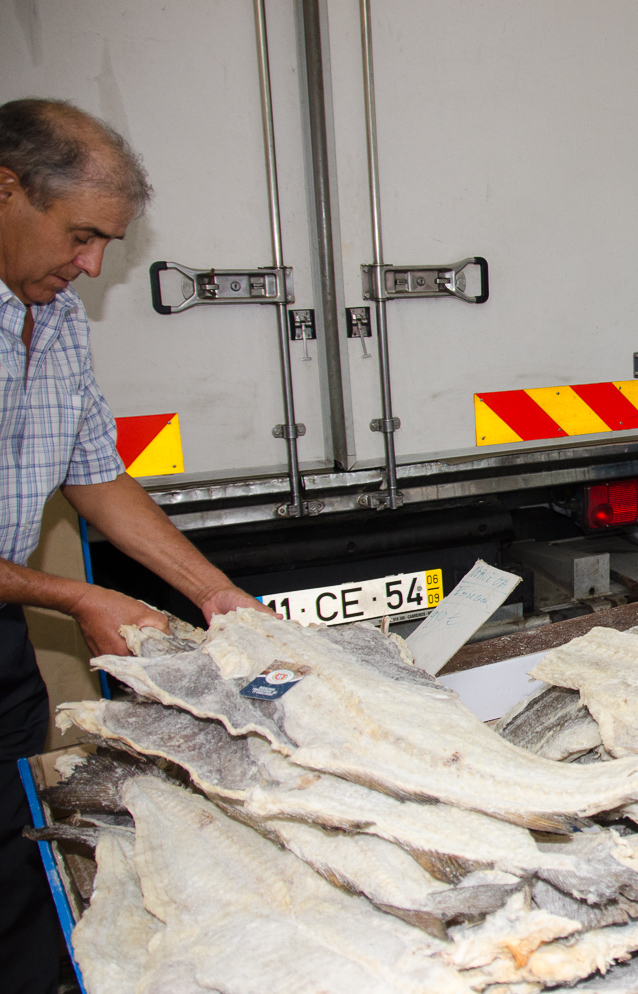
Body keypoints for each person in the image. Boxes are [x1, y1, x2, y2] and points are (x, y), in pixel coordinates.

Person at [0, 99, 275, 993]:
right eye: (80, 235)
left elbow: (96, 478)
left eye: (105, 243)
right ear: (6, 190)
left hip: (1, 639)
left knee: (19, 853)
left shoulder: (56, 320)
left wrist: (215, 592)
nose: (91, 265)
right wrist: (78, 596)